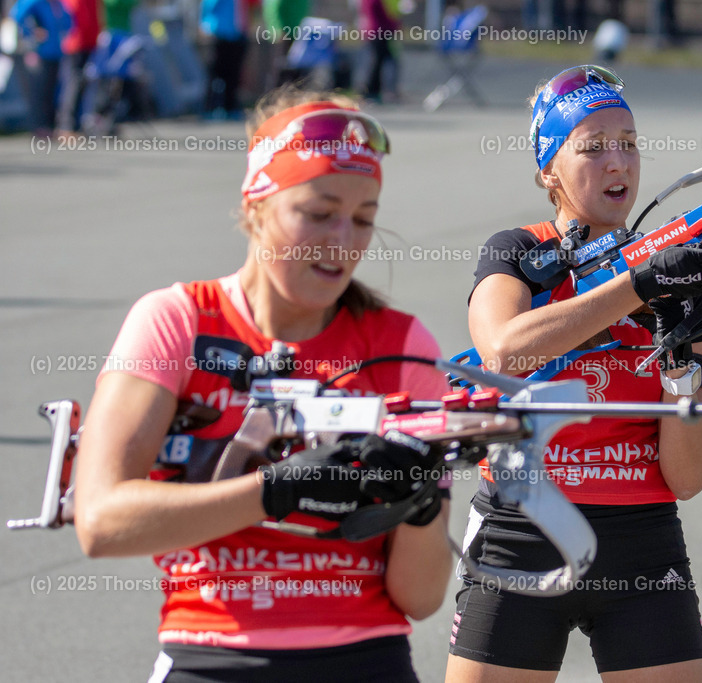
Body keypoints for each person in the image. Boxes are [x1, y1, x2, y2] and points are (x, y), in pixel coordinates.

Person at [73, 85, 453, 682]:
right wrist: (276, 490)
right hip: (212, 651)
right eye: (319, 212)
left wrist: (422, 503)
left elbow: (421, 597)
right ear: (255, 203)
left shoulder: (403, 345)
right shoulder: (178, 320)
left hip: (365, 656)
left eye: (363, 219)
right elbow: (99, 521)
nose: (343, 241)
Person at [446, 65, 702, 682]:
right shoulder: (517, 252)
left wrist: (679, 353)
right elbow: (505, 352)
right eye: (592, 147)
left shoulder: (676, 275)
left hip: (642, 541)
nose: (617, 162)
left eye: (627, 143)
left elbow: (686, 475)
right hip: (521, 529)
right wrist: (635, 285)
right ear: (549, 167)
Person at [10, 0, 70, 136]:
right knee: (39, 91)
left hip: (56, 52)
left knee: (52, 90)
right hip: (39, 52)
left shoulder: (58, 3)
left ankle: (51, 126)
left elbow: (67, 19)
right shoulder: (34, 1)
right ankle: (39, 126)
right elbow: (17, 16)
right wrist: (31, 33)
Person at [55, 0, 100, 137]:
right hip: (76, 44)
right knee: (73, 85)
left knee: (84, 85)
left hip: (90, 43)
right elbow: (68, 16)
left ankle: (78, 125)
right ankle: (66, 127)